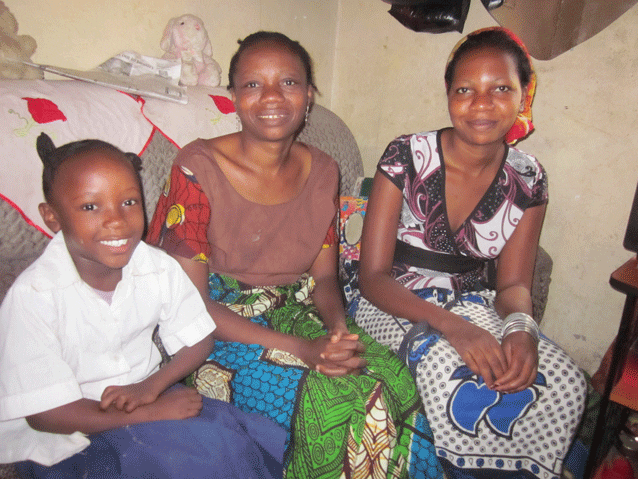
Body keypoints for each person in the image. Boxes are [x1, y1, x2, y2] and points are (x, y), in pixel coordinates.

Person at [148, 31, 443, 479]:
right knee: (344, 405)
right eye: (252, 84)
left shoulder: (324, 169)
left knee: (397, 383)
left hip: (299, 311)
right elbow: (193, 304)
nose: (271, 97)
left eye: (288, 83)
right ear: (233, 98)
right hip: (216, 333)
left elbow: (325, 279)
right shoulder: (197, 166)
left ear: (308, 96)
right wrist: (303, 349)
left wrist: (338, 330)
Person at [352, 28, 586, 479]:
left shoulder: (529, 178)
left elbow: (514, 283)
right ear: (448, 96)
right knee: (451, 371)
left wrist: (521, 329)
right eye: (465, 90)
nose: (481, 104)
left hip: (471, 301)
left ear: (524, 97)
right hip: (391, 298)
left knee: (564, 381)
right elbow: (372, 277)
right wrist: (456, 330)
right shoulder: (407, 154)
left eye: (501, 88)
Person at [0, 133, 286, 479]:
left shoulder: (156, 266)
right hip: (69, 437)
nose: (117, 220)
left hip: (148, 395)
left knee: (249, 441)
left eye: (129, 202)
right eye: (91, 207)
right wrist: (149, 412)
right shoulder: (34, 295)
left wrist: (150, 388)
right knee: (189, 463)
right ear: (52, 217)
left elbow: (198, 338)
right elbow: (46, 415)